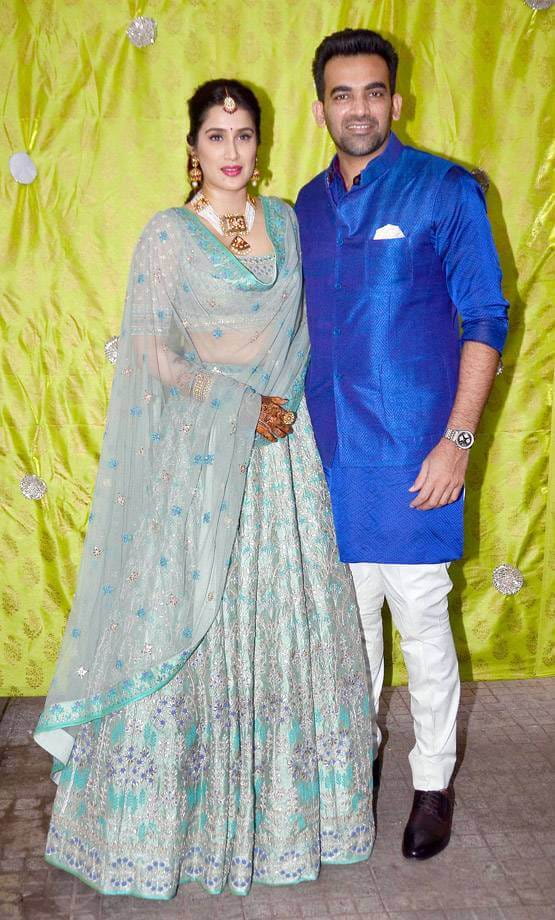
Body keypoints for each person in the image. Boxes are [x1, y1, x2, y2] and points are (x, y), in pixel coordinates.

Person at [34, 79, 375, 898]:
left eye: (245, 135)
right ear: (193, 147)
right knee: (188, 623)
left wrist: (277, 404)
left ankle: (288, 821)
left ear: (261, 145)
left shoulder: (287, 222)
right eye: (216, 136)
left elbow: (302, 333)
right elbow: (154, 357)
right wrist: (235, 405)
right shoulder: (167, 237)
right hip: (198, 461)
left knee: (286, 630)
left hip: (280, 461)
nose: (232, 151)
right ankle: (168, 827)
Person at [295, 30, 509, 860]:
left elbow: (485, 318)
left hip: (418, 454)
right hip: (327, 455)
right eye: (342, 94)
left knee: (419, 620)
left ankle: (431, 782)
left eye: (373, 91)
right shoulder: (304, 206)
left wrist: (456, 440)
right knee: (344, 629)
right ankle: (354, 767)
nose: (358, 107)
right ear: (321, 107)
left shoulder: (444, 190)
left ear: (396, 99)